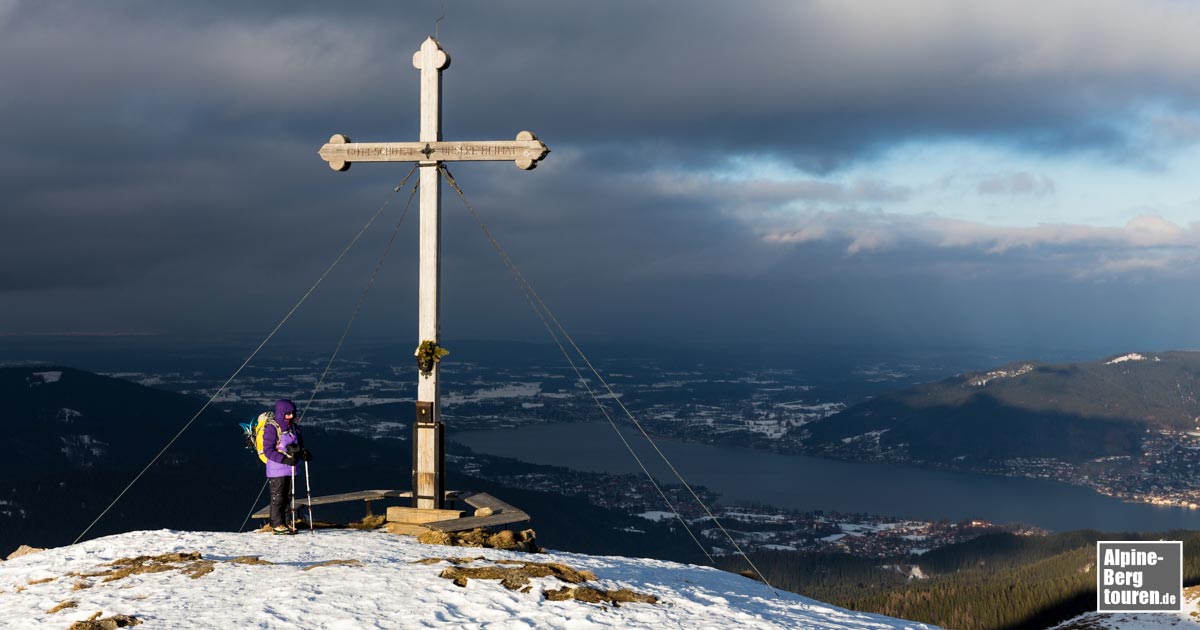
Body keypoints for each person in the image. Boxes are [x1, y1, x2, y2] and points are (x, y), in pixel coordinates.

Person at [260, 399, 311, 534]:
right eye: (287, 414)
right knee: (278, 496)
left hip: (291, 468)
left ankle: (287, 522)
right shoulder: (272, 428)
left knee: (289, 496)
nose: (291, 417)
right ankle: (277, 524)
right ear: (281, 413)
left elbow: (299, 445)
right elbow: (268, 450)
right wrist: (284, 459)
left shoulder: (294, 427)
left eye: (292, 414)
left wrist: (303, 453)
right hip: (277, 469)